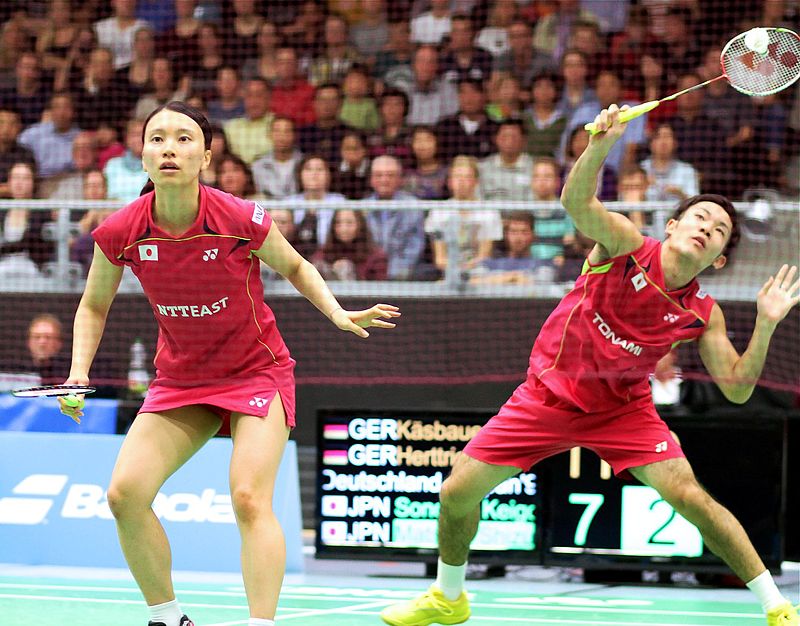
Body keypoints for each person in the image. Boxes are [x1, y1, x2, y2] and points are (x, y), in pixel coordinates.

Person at [380, 104, 800, 626]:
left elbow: (737, 389)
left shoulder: (702, 314)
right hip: (546, 397)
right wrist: (602, 143)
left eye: (718, 231)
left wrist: (765, 323)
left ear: (718, 259)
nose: (708, 228)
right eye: (700, 218)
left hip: (623, 411)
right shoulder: (624, 245)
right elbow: (576, 201)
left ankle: (778, 607)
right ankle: (448, 597)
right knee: (455, 493)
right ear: (672, 225)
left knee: (690, 496)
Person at [57, 101, 400, 626]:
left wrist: (335, 312)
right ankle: (167, 617)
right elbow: (93, 305)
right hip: (181, 378)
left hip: (255, 372)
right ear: (143, 156)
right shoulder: (122, 229)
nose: (169, 147)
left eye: (184, 138)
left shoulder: (238, 216)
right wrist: (79, 371)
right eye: (157, 139)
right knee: (124, 494)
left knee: (247, 497)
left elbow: (296, 265)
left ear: (207, 156)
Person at [311, 209, 388, 281]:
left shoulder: (376, 256)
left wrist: (352, 274)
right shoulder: (324, 252)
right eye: (338, 223)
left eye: (349, 223)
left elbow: (379, 288)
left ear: (360, 224)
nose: (343, 229)